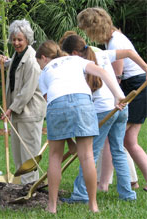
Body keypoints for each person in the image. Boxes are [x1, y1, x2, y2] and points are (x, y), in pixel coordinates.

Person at [35, 40, 125, 213]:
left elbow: (54, 103)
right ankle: (93, 206)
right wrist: (117, 95)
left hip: (57, 103)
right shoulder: (75, 59)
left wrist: (68, 139)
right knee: (87, 156)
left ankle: (52, 207)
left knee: (54, 156)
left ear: (44, 59)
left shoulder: (44, 73)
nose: (40, 66)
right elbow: (102, 71)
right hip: (82, 101)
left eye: (39, 63)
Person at [60, 34, 147, 203]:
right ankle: (127, 194)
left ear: (74, 53)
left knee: (89, 153)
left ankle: (81, 194)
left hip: (104, 110)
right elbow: (129, 52)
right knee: (118, 150)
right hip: (121, 104)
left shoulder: (78, 63)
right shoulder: (100, 53)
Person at [77, 7, 147, 192]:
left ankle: (104, 183)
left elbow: (116, 77)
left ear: (95, 28)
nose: (88, 36)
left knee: (114, 139)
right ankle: (127, 182)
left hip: (134, 87)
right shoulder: (113, 39)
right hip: (133, 85)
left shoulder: (115, 42)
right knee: (128, 141)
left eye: (87, 31)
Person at [0, 19, 46, 184]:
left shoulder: (32, 61)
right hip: (17, 112)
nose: (16, 43)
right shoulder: (18, 56)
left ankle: (31, 186)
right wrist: (4, 63)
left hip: (29, 112)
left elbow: (27, 90)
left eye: (20, 39)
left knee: (28, 152)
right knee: (17, 152)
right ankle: (21, 184)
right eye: (14, 39)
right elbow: (15, 68)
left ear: (27, 40)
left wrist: (10, 108)